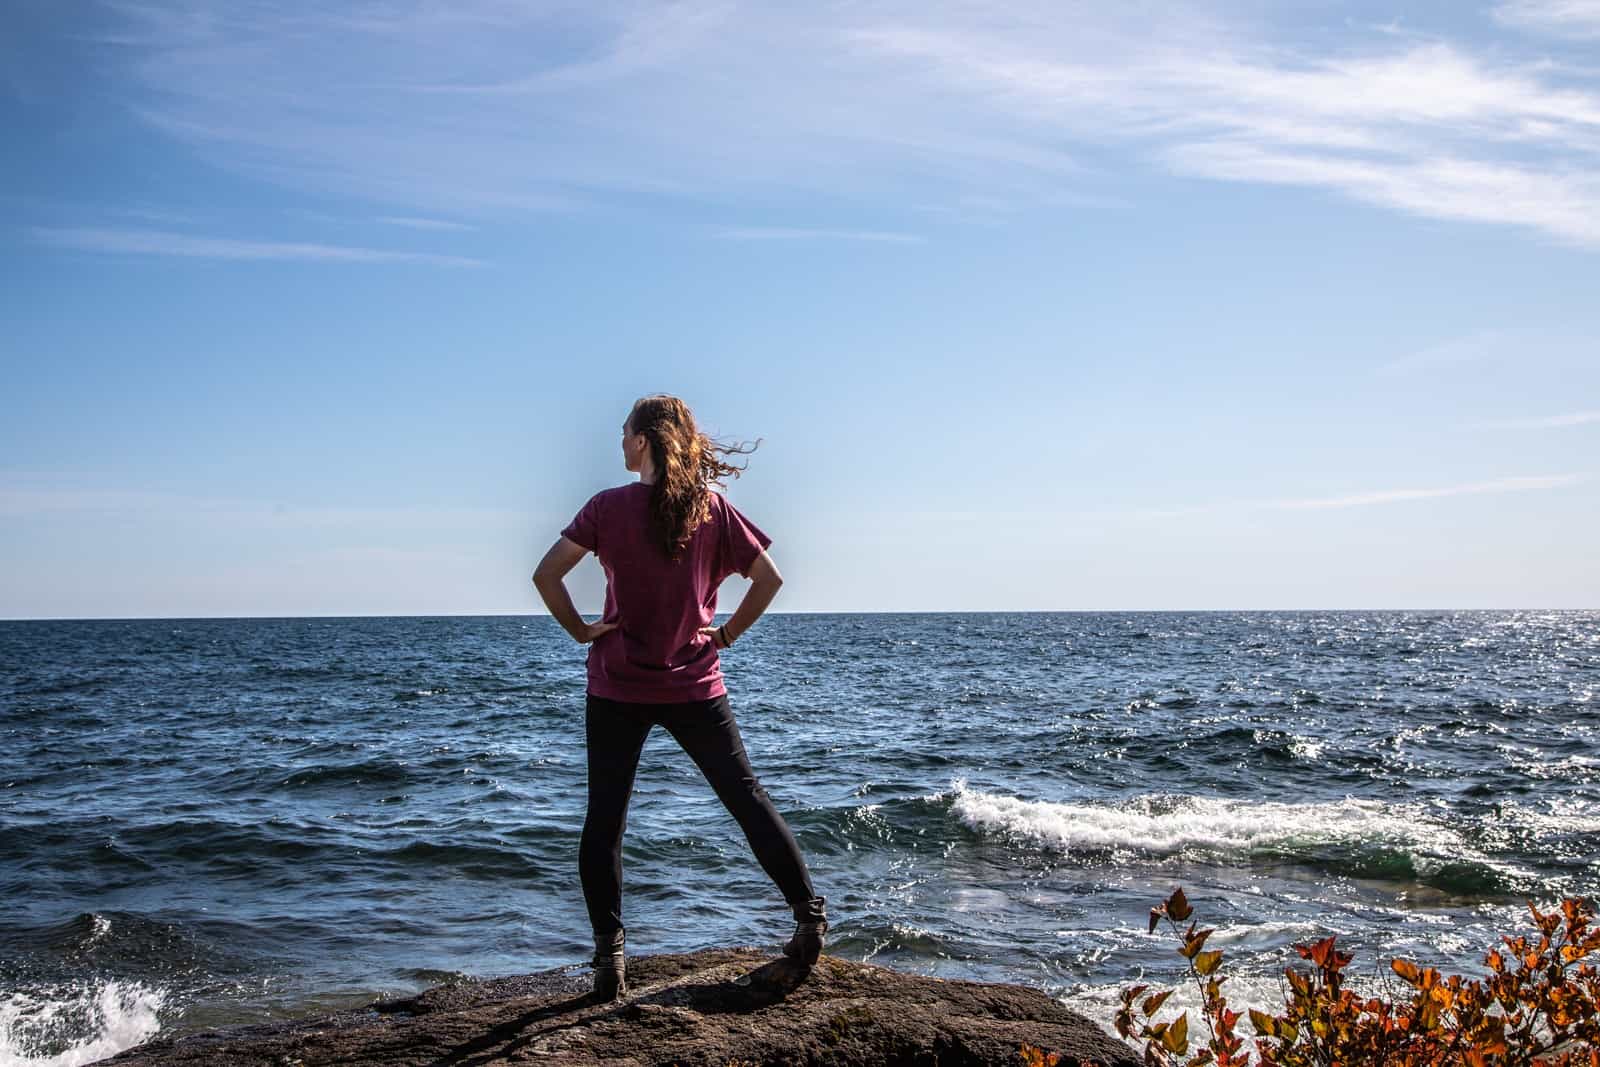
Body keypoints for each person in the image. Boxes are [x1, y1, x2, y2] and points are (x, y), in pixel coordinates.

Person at [531, 394, 827, 1001]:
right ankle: (808, 920)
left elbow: (546, 574)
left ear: (642, 440)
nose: (619, 443)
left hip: (617, 686)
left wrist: (582, 630)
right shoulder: (711, 508)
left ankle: (610, 962)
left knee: (605, 821)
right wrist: (725, 635)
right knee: (746, 799)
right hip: (695, 682)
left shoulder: (607, 508)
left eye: (623, 433)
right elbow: (769, 578)